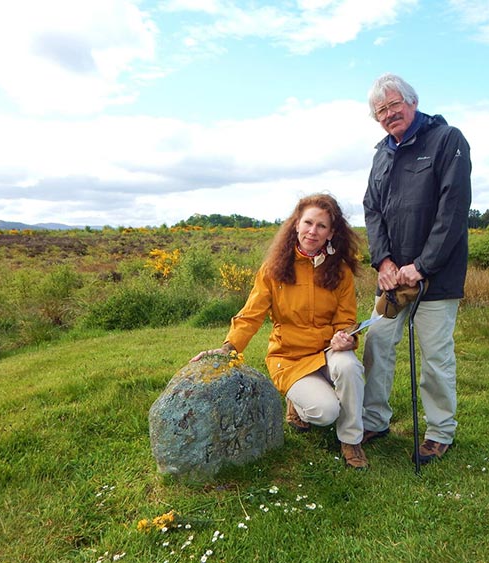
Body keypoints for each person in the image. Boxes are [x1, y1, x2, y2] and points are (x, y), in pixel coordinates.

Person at [191, 193, 368, 469]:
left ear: (331, 233)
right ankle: (297, 404)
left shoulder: (341, 272)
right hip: (289, 357)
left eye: (322, 226)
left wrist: (345, 336)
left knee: (349, 368)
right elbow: (251, 315)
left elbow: (346, 319)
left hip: (327, 350)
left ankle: (351, 441)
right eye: (308, 223)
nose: (313, 231)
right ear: (296, 224)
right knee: (326, 411)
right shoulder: (273, 270)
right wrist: (228, 348)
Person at [361, 73, 472, 464]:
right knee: (377, 343)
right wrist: (385, 262)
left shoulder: (447, 140)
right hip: (392, 279)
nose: (389, 115)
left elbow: (453, 210)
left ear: (412, 102)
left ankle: (440, 431)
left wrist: (422, 266)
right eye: (381, 111)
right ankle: (374, 419)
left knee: (435, 355)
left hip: (436, 277)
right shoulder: (382, 154)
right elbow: (372, 210)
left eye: (394, 105)